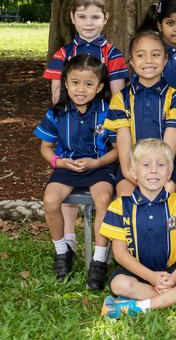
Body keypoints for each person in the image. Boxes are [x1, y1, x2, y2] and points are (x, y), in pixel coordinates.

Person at [43, 0, 128, 256]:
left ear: (106, 18)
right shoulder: (63, 53)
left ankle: (100, 253)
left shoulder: (113, 54)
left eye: (94, 17)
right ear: (72, 18)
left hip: (100, 125)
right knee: (65, 184)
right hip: (71, 124)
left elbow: (117, 96)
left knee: (100, 190)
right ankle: (68, 239)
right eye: (82, 17)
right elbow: (58, 96)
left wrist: (107, 120)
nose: (88, 23)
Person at [99, 139, 176, 318]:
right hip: (139, 274)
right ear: (133, 172)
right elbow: (120, 254)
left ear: (170, 172)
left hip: (174, 272)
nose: (153, 170)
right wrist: (152, 277)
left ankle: (140, 306)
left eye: (161, 165)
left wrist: (174, 278)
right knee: (119, 284)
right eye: (146, 164)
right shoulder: (120, 206)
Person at [35, 54, 116, 290]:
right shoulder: (57, 112)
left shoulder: (108, 111)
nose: (81, 89)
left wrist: (96, 163)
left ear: (100, 86)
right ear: (66, 83)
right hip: (66, 166)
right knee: (50, 200)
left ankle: (99, 259)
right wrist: (58, 163)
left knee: (103, 199)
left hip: (99, 166)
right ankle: (63, 251)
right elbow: (45, 147)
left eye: (89, 84)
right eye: (75, 83)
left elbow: (117, 151)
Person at [104, 30, 176, 196]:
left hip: (166, 167)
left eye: (155, 54)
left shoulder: (175, 97)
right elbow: (122, 143)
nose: (148, 60)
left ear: (165, 59)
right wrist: (130, 172)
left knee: (164, 194)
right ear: (132, 62)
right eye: (141, 55)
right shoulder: (121, 98)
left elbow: (171, 138)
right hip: (132, 166)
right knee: (126, 196)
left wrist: (160, 174)